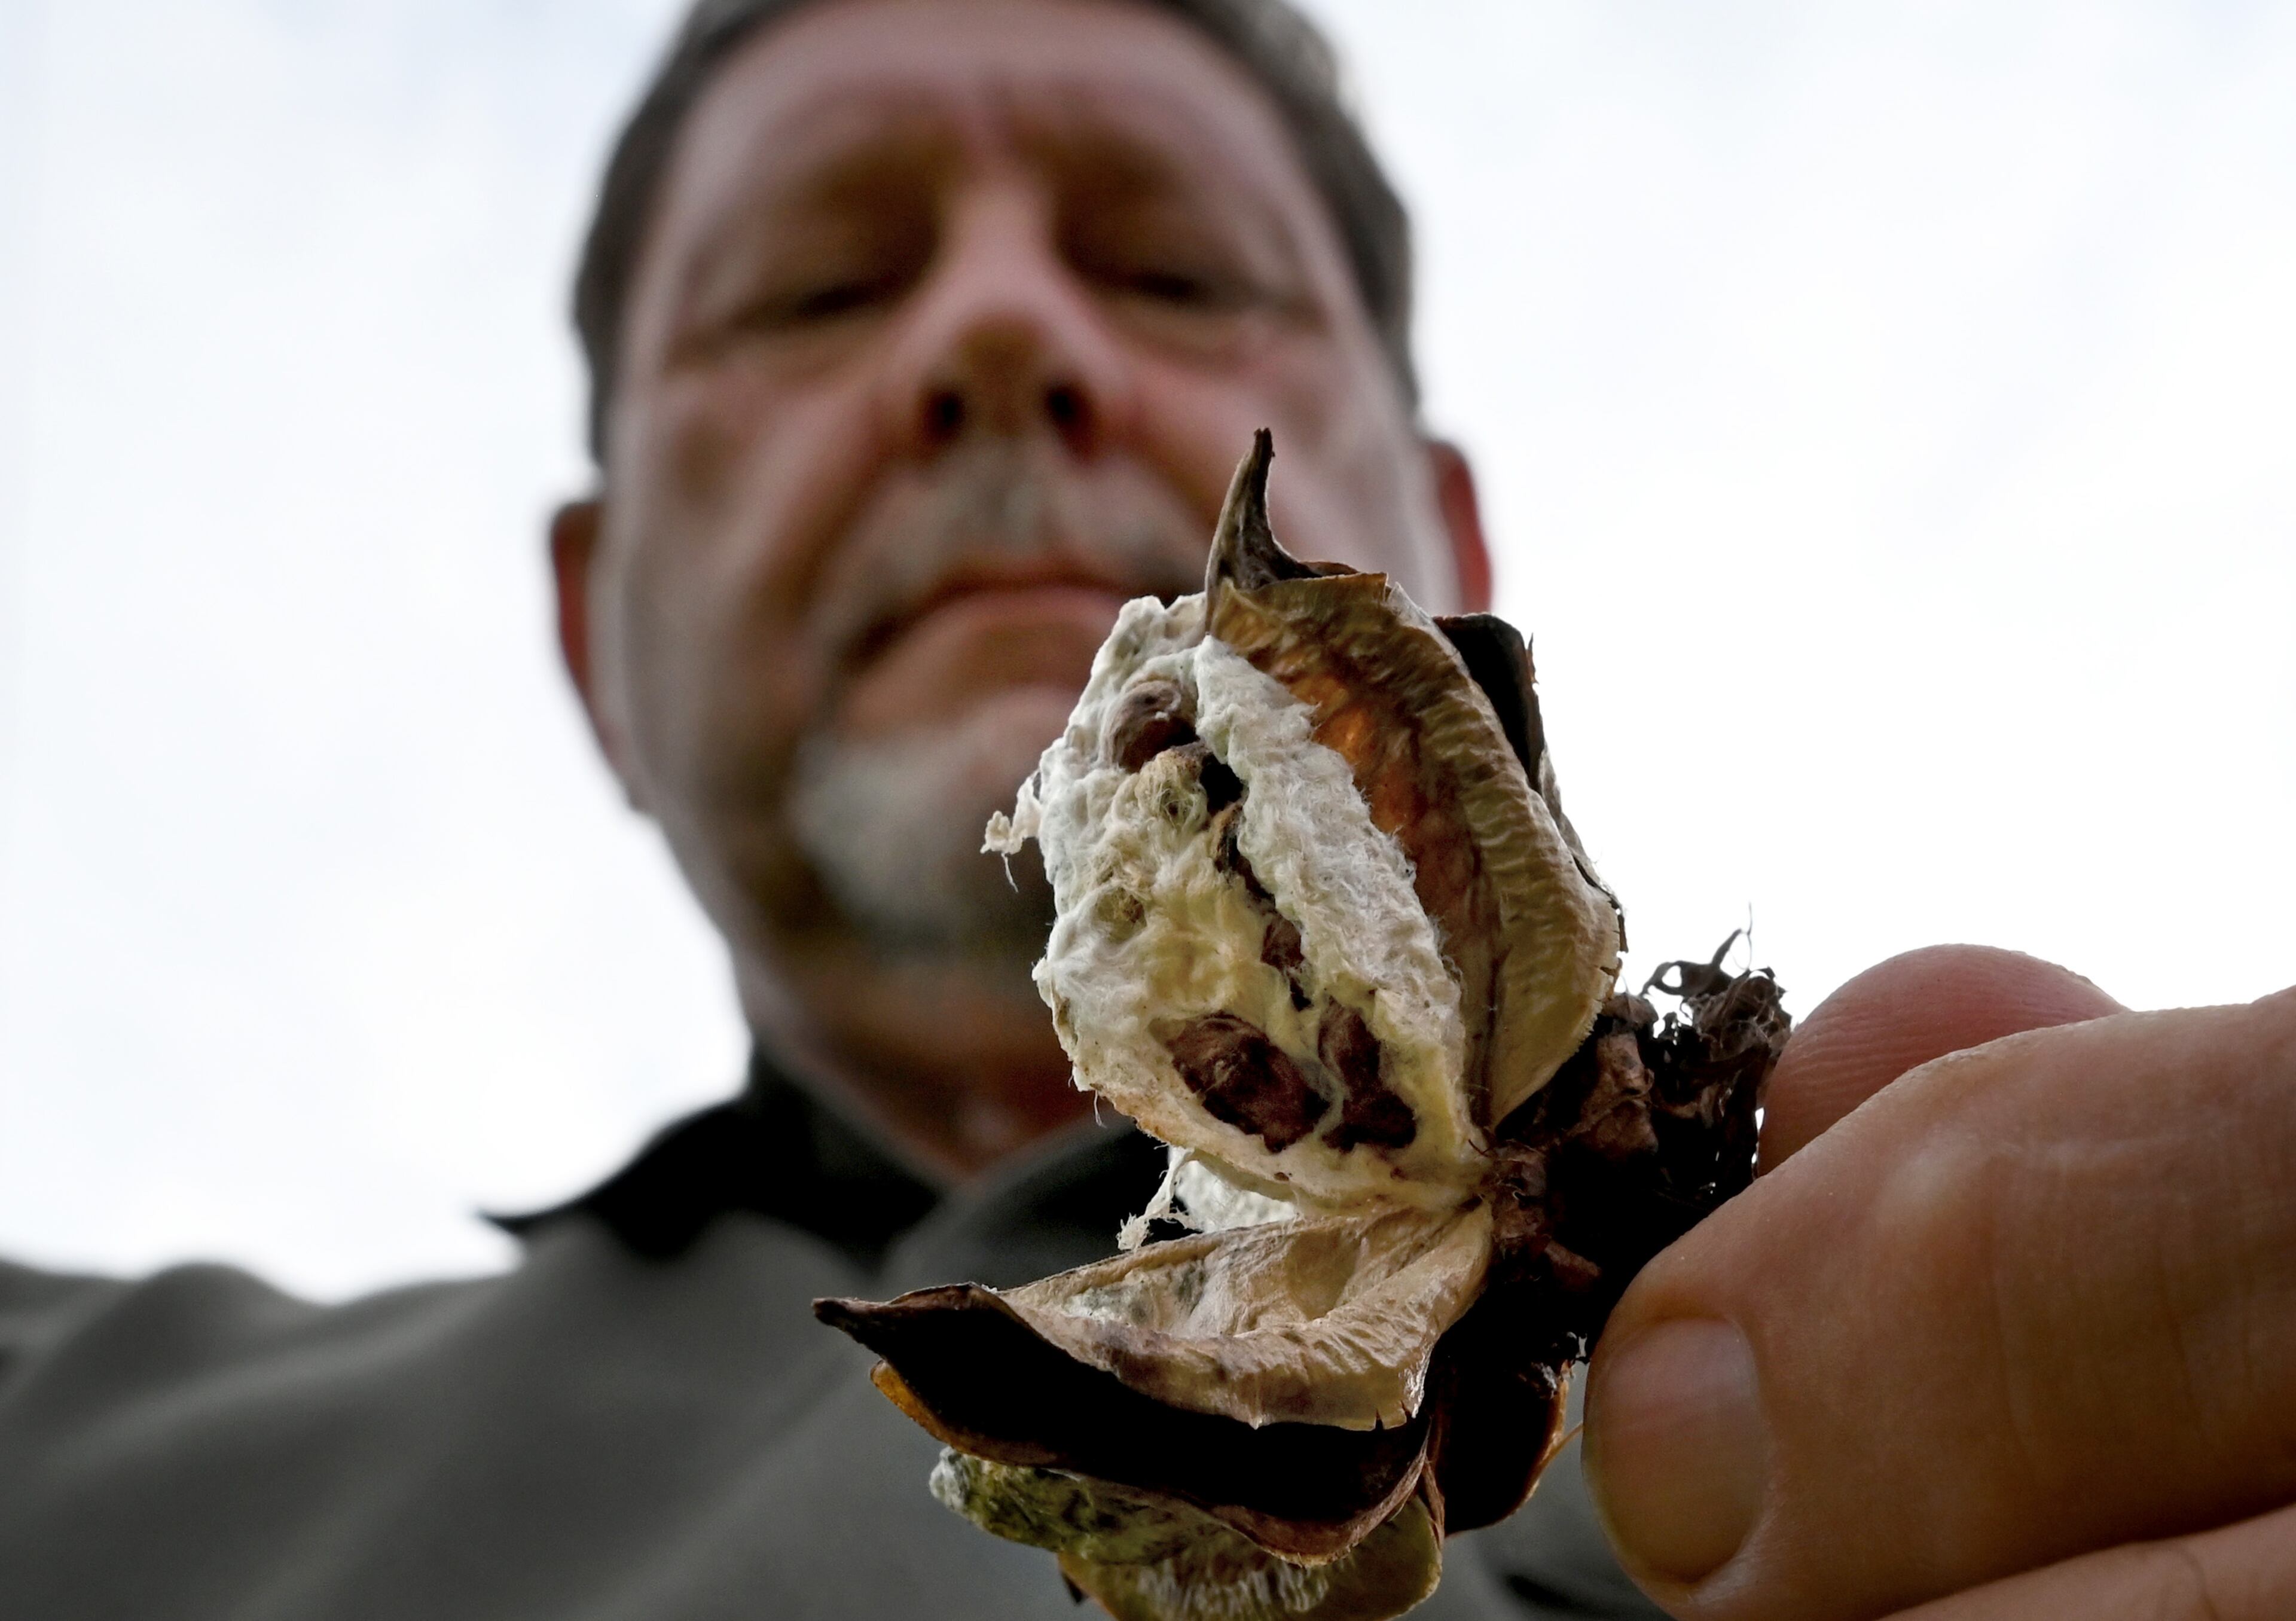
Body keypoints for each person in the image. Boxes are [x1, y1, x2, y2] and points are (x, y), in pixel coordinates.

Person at [2, 1, 2289, 1617]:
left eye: (1179, 273)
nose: (1002, 338)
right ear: (597, 625)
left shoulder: (1883, 1369)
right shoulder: (62, 1438)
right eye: (815, 288)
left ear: (1449, 560)